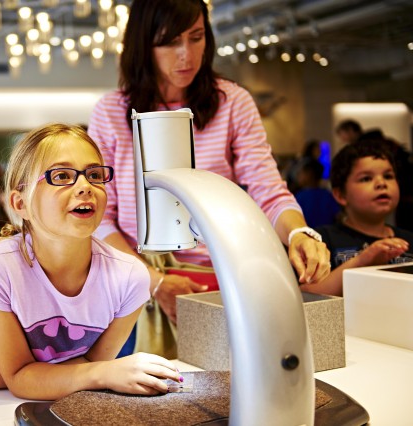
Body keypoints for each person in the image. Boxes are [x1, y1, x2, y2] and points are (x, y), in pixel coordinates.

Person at [87, 0, 330, 328]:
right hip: (133, 281)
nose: (186, 54)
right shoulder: (112, 112)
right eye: (170, 41)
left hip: (218, 276)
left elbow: (268, 189)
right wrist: (154, 281)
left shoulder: (232, 102)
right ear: (143, 44)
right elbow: (101, 219)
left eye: (196, 37)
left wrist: (299, 232)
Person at [0, 124, 182, 401]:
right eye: (61, 176)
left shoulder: (130, 277)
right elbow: (23, 377)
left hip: (60, 403)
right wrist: (106, 372)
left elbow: (88, 370)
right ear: (20, 204)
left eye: (94, 174)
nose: (85, 186)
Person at [304, 140, 413, 296]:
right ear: (341, 195)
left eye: (388, 176)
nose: (381, 183)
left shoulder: (409, 241)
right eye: (366, 179)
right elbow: (307, 294)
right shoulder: (322, 241)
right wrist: (363, 260)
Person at [294, 159, 341, 227]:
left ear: (309, 174)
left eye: (301, 173)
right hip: (328, 234)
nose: (298, 176)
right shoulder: (328, 195)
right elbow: (338, 216)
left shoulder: (300, 197)